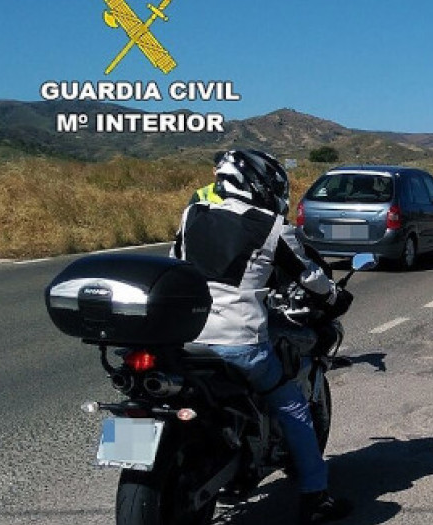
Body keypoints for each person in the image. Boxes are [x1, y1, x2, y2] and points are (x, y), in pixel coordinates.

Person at [171, 149, 353, 523]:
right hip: (238, 342)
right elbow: (310, 276)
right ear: (260, 185)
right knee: (292, 405)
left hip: (184, 339)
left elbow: (175, 261)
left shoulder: (193, 214)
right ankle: (315, 497)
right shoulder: (271, 226)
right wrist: (335, 297)